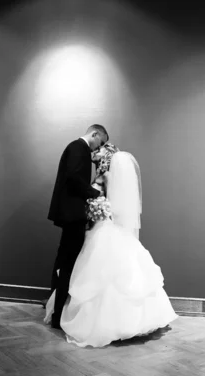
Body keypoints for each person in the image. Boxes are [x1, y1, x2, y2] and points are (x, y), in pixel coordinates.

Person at [45, 143, 178, 347]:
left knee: (97, 272)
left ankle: (101, 324)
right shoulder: (111, 177)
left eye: (99, 153)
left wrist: (96, 206)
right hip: (109, 227)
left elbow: (101, 198)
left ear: (107, 158)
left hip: (102, 227)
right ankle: (127, 322)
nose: (94, 155)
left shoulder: (105, 177)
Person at [47, 124, 109, 329]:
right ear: (94, 134)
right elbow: (74, 178)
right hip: (73, 215)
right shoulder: (78, 148)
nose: (95, 149)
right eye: (98, 143)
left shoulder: (77, 148)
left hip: (71, 215)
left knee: (64, 260)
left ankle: (55, 307)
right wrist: (95, 194)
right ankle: (58, 315)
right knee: (68, 264)